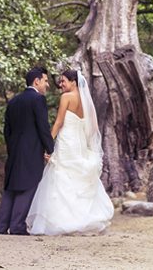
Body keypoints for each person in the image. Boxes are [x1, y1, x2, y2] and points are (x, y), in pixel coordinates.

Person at [26, 69, 114, 235]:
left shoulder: (66, 97)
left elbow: (59, 123)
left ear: (74, 81)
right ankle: (83, 220)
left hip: (67, 142)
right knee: (76, 178)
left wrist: (47, 143)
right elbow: (94, 127)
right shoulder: (85, 100)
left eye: (64, 81)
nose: (61, 84)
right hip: (79, 143)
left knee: (61, 176)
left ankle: (62, 221)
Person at [0, 66, 55, 235]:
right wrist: (50, 148)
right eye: (45, 81)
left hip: (14, 151)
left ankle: (1, 226)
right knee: (28, 185)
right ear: (36, 81)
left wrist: (12, 147)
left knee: (11, 187)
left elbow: (7, 129)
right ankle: (17, 226)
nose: (47, 85)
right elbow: (43, 127)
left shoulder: (14, 101)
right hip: (31, 151)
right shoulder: (38, 100)